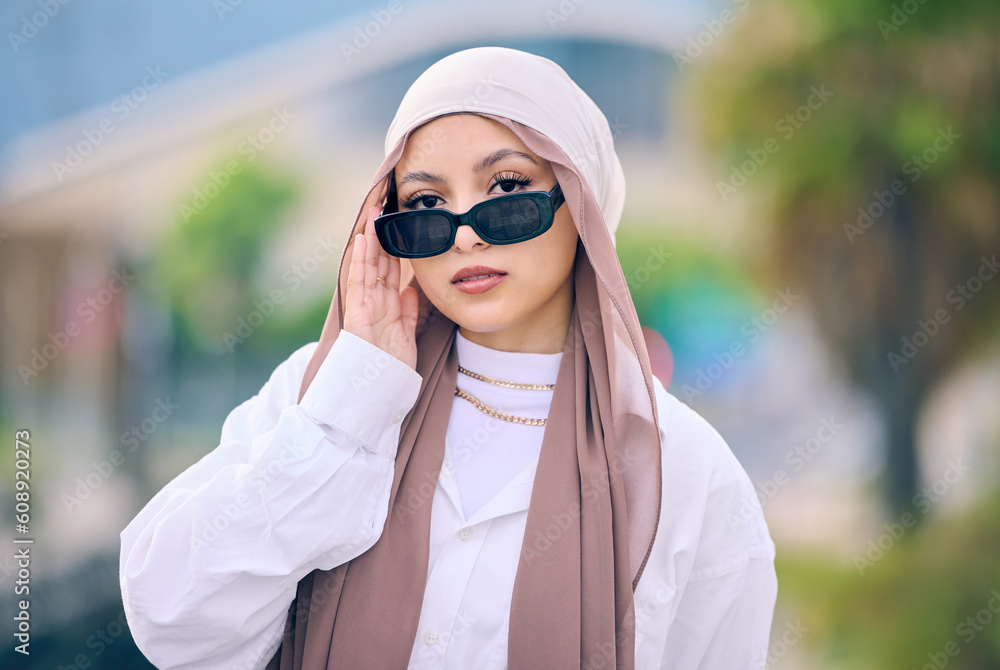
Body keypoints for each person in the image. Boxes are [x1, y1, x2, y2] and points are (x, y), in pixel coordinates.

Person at [119, 46, 776, 669]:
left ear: (583, 204)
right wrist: (350, 410)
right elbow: (173, 622)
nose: (464, 232)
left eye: (506, 185)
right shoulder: (318, 392)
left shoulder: (684, 472)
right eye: (427, 203)